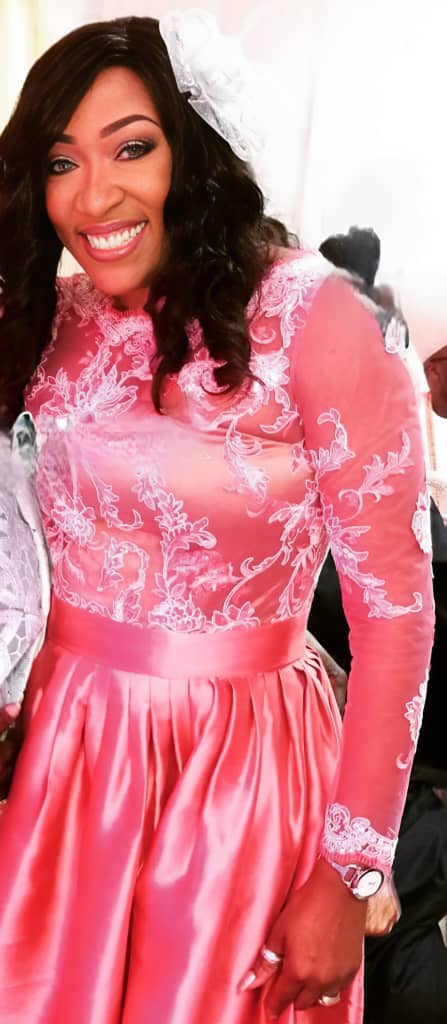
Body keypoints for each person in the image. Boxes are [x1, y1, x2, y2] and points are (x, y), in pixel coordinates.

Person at [0, 13, 434, 1024]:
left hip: (237, 773)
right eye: (61, 161)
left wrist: (351, 873)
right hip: (69, 753)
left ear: (193, 152)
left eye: (131, 148)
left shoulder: (318, 318)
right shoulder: (50, 316)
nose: (93, 195)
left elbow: (396, 616)